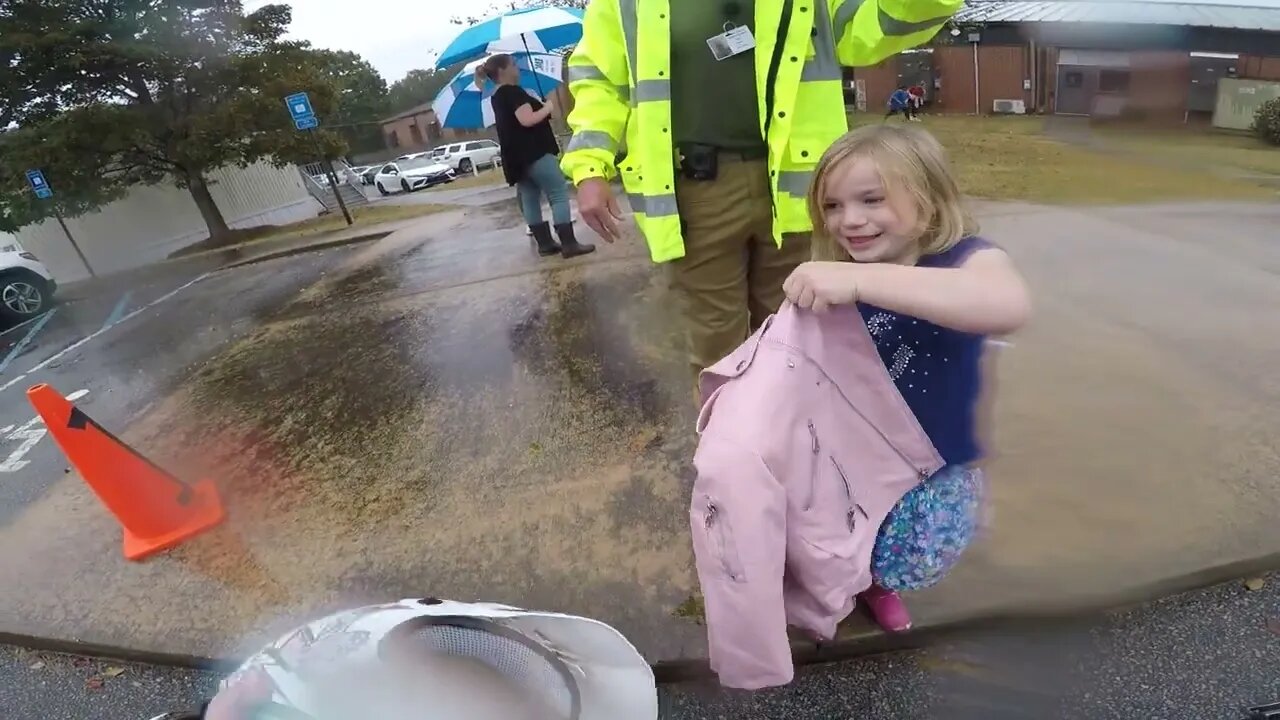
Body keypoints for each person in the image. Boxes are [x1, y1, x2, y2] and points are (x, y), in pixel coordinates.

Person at [562, 0, 963, 380]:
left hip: (798, 189)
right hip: (696, 195)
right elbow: (598, 77)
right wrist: (590, 165)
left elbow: (880, 25)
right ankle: (731, 451)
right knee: (717, 350)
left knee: (802, 336)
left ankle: (802, 445)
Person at [782, 124, 1032, 631]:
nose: (850, 221)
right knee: (838, 543)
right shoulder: (840, 272)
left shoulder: (966, 258)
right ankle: (847, 586)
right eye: (832, 206)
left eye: (872, 199)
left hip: (931, 462)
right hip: (850, 460)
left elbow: (1008, 305)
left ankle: (879, 585)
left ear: (930, 199)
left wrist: (859, 280)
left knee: (907, 553)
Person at [478, 54, 595, 259]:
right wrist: (548, 107)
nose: (518, 68)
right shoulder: (513, 92)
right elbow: (527, 120)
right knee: (557, 193)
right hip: (536, 152)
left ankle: (545, 244)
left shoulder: (496, 97)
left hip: (516, 159)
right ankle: (569, 244)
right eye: (514, 64)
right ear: (503, 71)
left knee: (530, 197)